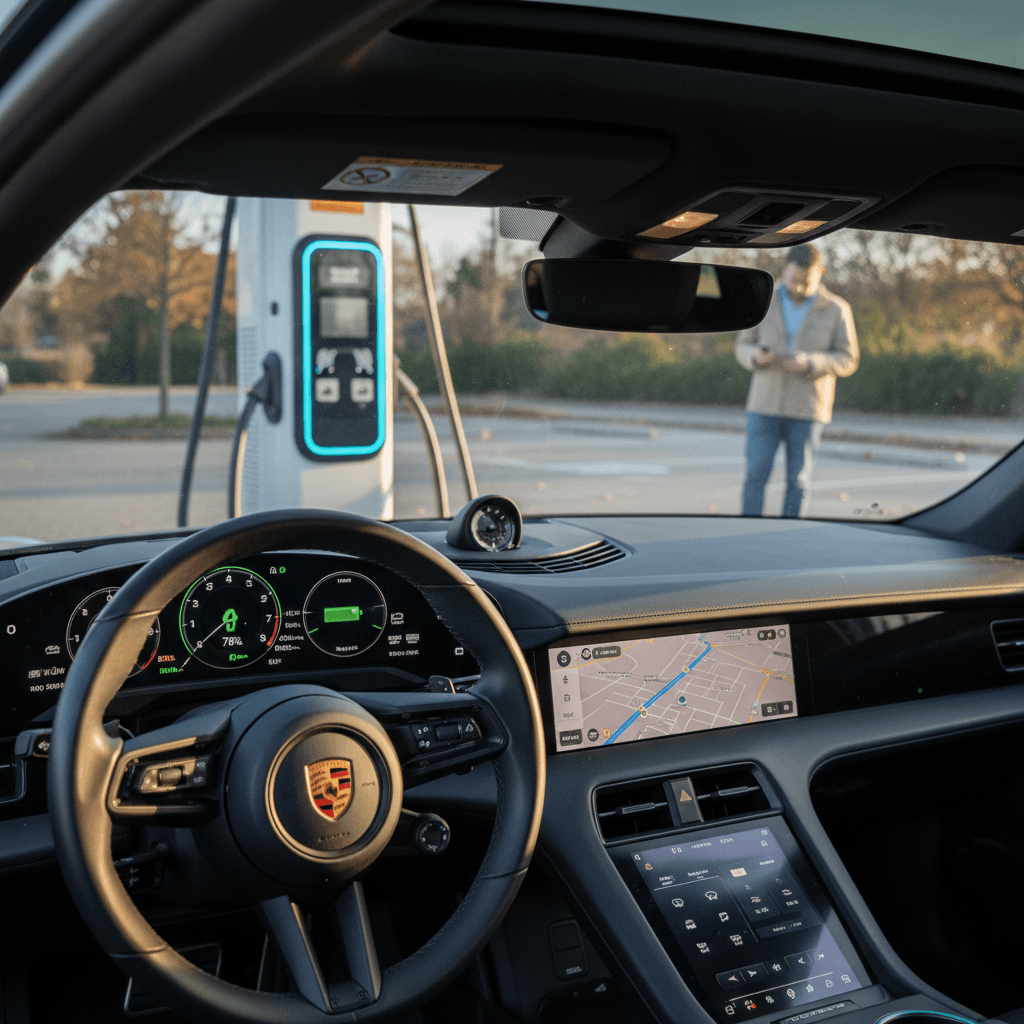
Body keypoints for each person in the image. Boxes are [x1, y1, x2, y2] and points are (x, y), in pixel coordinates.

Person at [734, 243, 858, 517]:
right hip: (763, 406)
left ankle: (788, 537)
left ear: (821, 273)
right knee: (755, 476)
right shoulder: (762, 299)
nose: (799, 287)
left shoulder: (838, 309)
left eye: (806, 281)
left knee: (798, 481)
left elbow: (849, 358)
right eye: (793, 279)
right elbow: (741, 345)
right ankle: (747, 530)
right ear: (784, 270)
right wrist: (754, 356)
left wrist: (813, 362)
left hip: (808, 409)